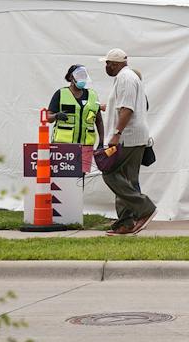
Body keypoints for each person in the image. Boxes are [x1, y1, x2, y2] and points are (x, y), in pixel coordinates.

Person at [100, 48, 156, 235]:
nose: (106, 67)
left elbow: (127, 108)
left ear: (115, 64)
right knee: (127, 180)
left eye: (108, 63)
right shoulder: (129, 78)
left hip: (127, 137)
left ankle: (145, 207)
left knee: (109, 173)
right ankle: (126, 223)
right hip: (134, 136)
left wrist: (116, 133)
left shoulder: (125, 78)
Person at [47, 64, 104, 146]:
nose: (82, 78)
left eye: (84, 76)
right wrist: (56, 116)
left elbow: (99, 121)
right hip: (63, 146)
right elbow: (48, 117)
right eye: (79, 75)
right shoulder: (61, 93)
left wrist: (101, 142)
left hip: (86, 146)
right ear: (71, 77)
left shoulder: (93, 95)